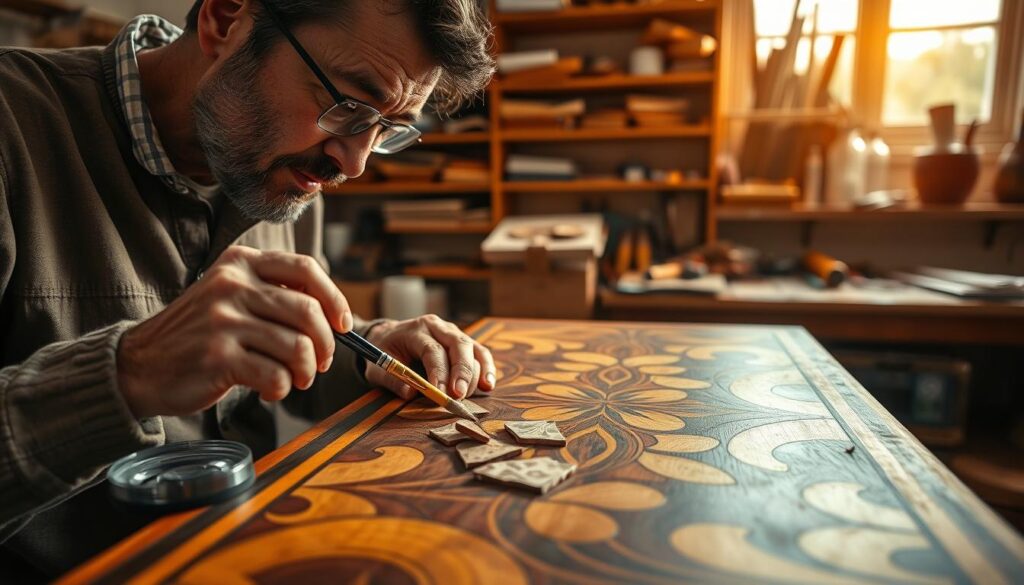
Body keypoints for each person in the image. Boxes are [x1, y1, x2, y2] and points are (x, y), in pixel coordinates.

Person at [0, 0, 495, 577]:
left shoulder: (291, 163)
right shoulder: (15, 129)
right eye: (348, 104)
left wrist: (370, 348)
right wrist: (125, 375)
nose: (354, 161)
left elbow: (275, 342)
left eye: (385, 127)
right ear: (226, 20)